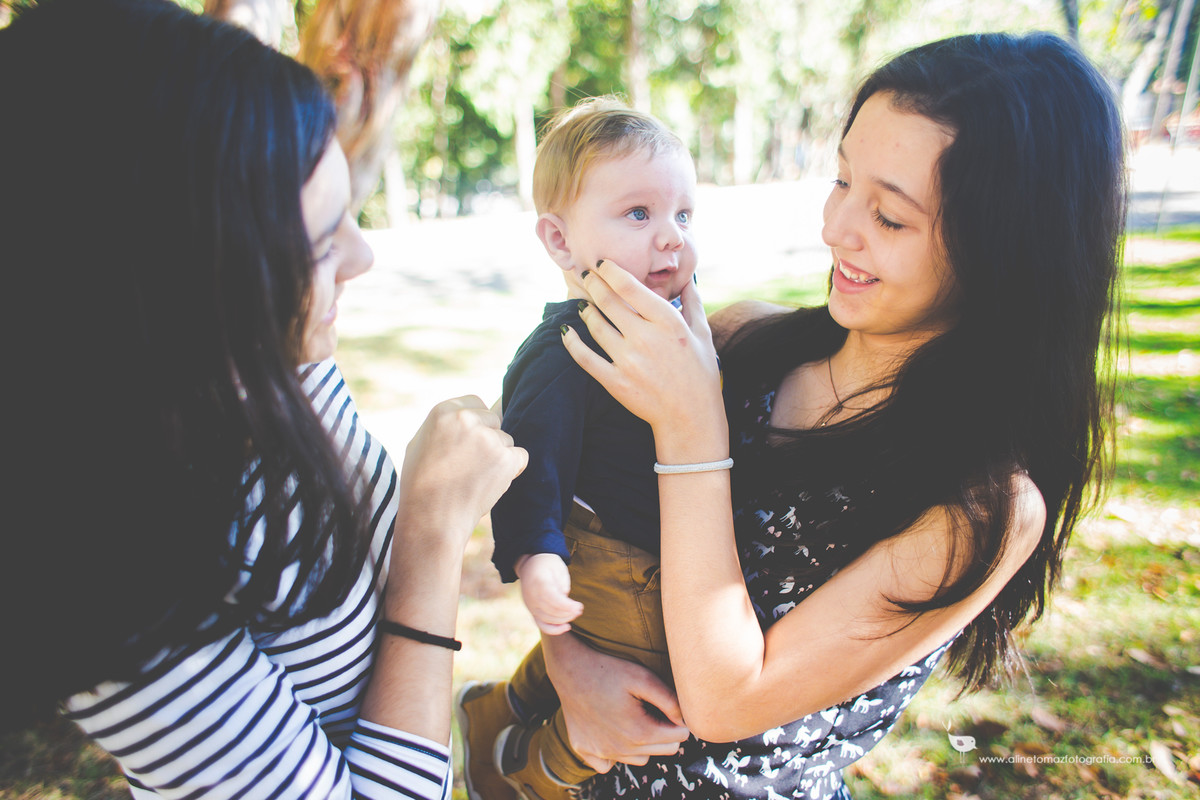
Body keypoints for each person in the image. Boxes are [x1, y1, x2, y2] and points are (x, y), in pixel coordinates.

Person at [550, 32, 1125, 799]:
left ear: (1003, 251)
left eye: (888, 217)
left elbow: (728, 701)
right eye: (841, 179)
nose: (836, 229)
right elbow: (566, 511)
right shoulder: (739, 341)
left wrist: (692, 431)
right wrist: (568, 659)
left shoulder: (982, 507)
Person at [0, 1, 526, 798]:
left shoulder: (266, 359)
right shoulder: (115, 589)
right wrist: (433, 535)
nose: (362, 256)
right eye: (321, 242)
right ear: (180, 284)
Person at [456, 96, 696, 800]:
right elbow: (531, 458)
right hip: (615, 559)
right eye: (638, 215)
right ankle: (535, 773)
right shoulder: (569, 349)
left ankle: (498, 709)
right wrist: (538, 556)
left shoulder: (669, 328)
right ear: (561, 243)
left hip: (659, 547)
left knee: (609, 646)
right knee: (655, 674)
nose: (670, 238)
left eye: (684, 215)